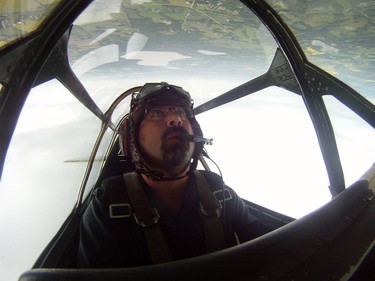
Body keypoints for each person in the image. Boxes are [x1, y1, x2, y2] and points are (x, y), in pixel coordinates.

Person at [77, 82, 271, 268]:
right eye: (157, 112)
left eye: (181, 113)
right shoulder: (107, 207)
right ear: (131, 137)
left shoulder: (221, 194)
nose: (175, 119)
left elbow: (272, 252)